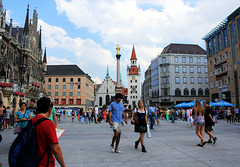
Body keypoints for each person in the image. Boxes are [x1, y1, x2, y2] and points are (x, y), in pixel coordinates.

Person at [32, 97, 65, 167]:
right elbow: (56, 149)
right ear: (50, 110)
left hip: (31, 161)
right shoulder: (48, 124)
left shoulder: (32, 121)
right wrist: (63, 165)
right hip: (44, 163)